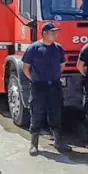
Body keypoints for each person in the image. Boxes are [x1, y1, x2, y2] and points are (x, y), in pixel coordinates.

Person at [22, 22, 67, 155]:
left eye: (55, 32)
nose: (55, 34)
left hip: (54, 86)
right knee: (36, 113)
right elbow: (26, 67)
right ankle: (34, 144)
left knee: (56, 114)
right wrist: (35, 80)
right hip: (39, 87)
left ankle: (58, 142)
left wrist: (54, 77)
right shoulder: (34, 48)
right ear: (44, 33)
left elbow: (62, 65)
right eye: (52, 32)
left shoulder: (58, 48)